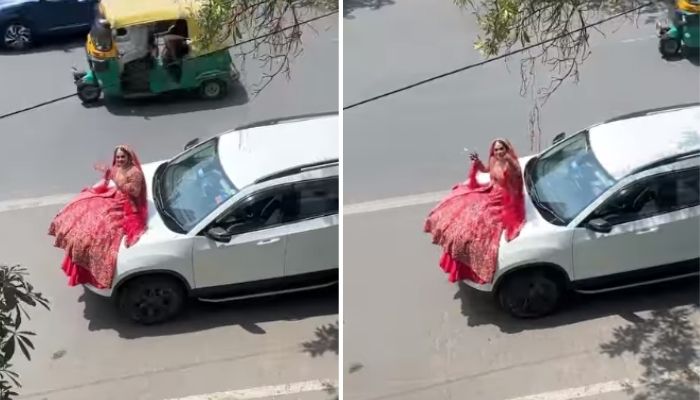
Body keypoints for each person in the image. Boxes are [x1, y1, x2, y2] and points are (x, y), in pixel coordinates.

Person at [423, 139, 526, 284]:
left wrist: (510, 161)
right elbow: (487, 171)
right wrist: (477, 163)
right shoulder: (493, 160)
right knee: (460, 212)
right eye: (496, 150)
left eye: (501, 149)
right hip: (491, 192)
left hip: (503, 200)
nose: (499, 152)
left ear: (507, 149)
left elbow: (517, 177)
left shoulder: (512, 165)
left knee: (480, 227)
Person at [48, 145, 148, 289]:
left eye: (122, 157)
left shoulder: (135, 172)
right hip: (114, 196)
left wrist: (116, 179)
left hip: (125, 205)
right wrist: (107, 173)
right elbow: (110, 175)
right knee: (83, 208)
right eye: (118, 157)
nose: (119, 160)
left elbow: (135, 192)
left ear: (129, 157)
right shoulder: (118, 167)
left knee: (100, 228)